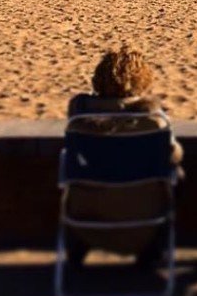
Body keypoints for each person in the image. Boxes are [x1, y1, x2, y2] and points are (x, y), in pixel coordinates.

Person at [65, 47, 184, 267]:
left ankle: (75, 253)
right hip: (144, 225)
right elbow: (174, 155)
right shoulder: (151, 121)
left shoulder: (79, 115)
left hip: (86, 224)